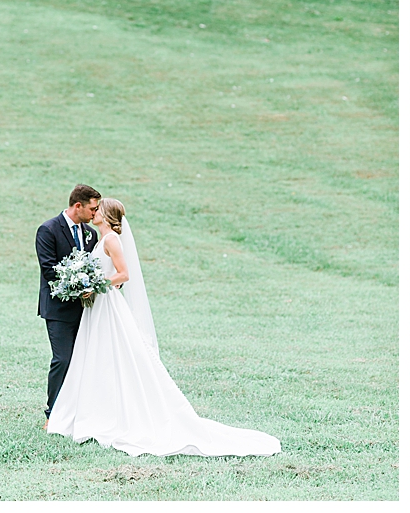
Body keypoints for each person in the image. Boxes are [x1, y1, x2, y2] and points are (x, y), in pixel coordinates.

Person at [46, 198, 281, 457]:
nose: (94, 212)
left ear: (108, 215)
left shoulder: (111, 239)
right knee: (98, 356)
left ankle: (114, 415)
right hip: (97, 305)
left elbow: (124, 274)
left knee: (113, 354)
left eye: (98, 210)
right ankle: (95, 410)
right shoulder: (100, 239)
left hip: (107, 304)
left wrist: (96, 282)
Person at [36, 184, 102, 428]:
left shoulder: (90, 234)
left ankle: (78, 413)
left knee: (84, 361)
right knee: (62, 359)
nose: (95, 214)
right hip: (58, 309)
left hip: (86, 309)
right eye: (92, 209)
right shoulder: (48, 230)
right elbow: (49, 270)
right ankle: (52, 414)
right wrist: (77, 285)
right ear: (78, 206)